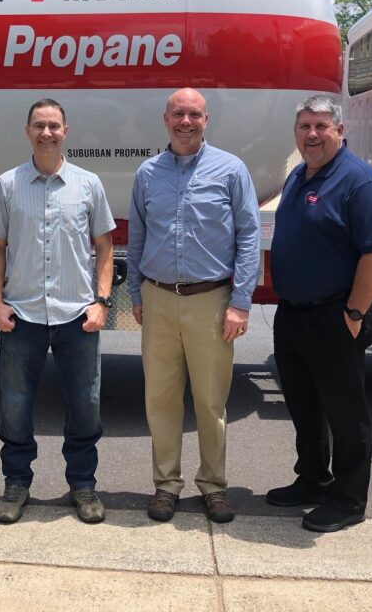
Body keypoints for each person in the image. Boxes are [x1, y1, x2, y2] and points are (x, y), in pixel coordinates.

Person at [127, 87, 261, 524]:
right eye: (178, 114)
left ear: (207, 119)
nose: (186, 122)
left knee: (210, 401)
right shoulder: (148, 173)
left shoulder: (231, 170)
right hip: (160, 298)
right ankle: (166, 486)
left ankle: (214, 487)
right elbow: (138, 237)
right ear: (165, 119)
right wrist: (136, 294)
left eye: (194, 115)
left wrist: (240, 303)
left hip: (212, 301)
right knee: (161, 399)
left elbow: (249, 237)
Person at [0, 98, 115, 525]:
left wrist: (102, 302)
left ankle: (82, 484)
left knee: (85, 405)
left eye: (53, 125)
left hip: (77, 316)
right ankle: (16, 482)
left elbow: (104, 247)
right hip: (22, 316)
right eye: (38, 125)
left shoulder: (88, 184)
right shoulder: (8, 184)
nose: (46, 132)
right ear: (27, 131)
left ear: (66, 131)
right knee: (15, 407)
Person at [267, 93, 372, 533]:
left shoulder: (360, 182)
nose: (312, 134)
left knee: (345, 412)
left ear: (339, 130)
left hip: (336, 314)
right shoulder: (300, 174)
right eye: (304, 126)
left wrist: (355, 312)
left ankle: (348, 498)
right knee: (304, 406)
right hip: (295, 314)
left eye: (322, 126)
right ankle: (313, 479)